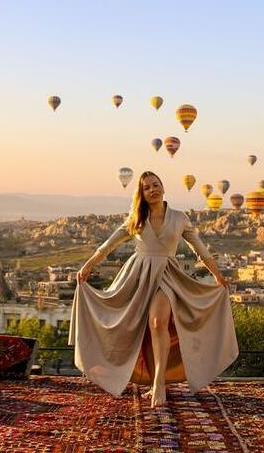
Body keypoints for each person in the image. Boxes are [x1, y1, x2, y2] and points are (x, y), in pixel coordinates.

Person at [69, 171, 238, 407]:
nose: (152, 190)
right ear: (142, 193)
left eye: (156, 185)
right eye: (147, 187)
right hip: (137, 277)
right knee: (135, 327)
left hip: (168, 274)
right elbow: (109, 244)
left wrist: (218, 275)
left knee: (158, 322)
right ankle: (144, 378)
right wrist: (88, 265)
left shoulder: (180, 218)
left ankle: (159, 384)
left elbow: (200, 249)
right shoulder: (136, 217)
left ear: (164, 187)